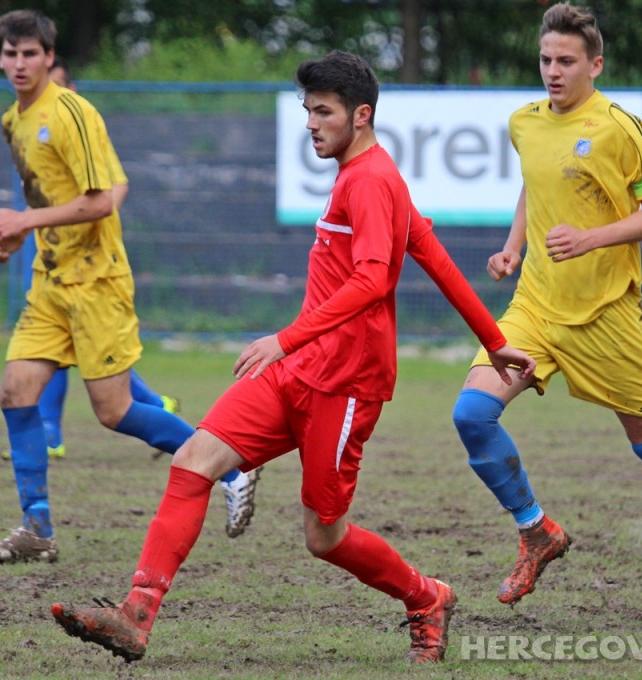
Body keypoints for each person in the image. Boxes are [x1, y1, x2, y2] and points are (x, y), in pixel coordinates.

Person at [51, 50, 537, 665]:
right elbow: (432, 253)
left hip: (345, 385)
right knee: (195, 460)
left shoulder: (370, 180)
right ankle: (135, 614)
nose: (311, 123)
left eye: (323, 111)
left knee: (324, 536)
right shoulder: (365, 173)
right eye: (308, 110)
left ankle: (427, 597)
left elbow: (371, 281)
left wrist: (284, 338)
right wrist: (492, 340)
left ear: (361, 115)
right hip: (296, 370)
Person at [450, 2, 642, 629]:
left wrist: (590, 238)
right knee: (471, 415)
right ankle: (536, 532)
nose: (553, 71)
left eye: (566, 61)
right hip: (535, 308)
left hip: (606, 315)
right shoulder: (525, 122)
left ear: (595, 65)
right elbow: (536, 184)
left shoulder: (619, 128)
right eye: (546, 60)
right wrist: (513, 247)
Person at [0, 10, 261, 565]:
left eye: (30, 53)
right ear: (1, 57)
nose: (19, 63)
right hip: (50, 281)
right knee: (15, 391)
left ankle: (230, 467)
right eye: (11, 54)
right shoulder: (13, 120)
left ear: (49, 57)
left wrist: (24, 222)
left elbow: (103, 199)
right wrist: (14, 238)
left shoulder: (71, 112)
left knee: (114, 410)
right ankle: (36, 528)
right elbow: (46, 202)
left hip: (96, 282)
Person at [0, 56, 188, 463]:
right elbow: (45, 201)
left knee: (109, 398)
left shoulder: (81, 124)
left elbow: (110, 193)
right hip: (54, 272)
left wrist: (80, 219)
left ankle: (192, 436)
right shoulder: (21, 124)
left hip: (95, 273)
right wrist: (19, 233)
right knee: (36, 371)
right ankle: (49, 437)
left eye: (57, 84)